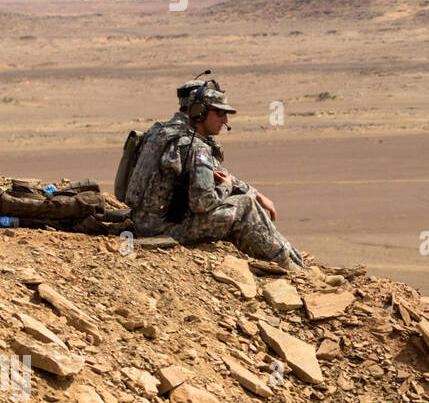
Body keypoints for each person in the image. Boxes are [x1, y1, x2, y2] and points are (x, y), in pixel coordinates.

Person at [125, 79, 304, 269]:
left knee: (248, 200)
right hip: (162, 229)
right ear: (199, 112)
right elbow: (203, 202)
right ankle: (291, 267)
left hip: (143, 222)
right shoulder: (194, 145)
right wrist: (228, 187)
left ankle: (293, 258)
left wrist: (254, 192)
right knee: (244, 207)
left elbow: (217, 172)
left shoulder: (160, 131)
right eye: (219, 113)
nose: (225, 120)